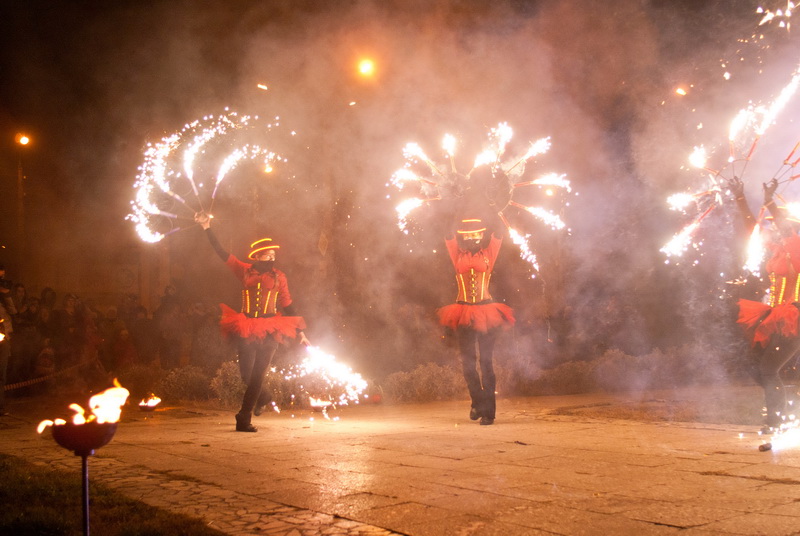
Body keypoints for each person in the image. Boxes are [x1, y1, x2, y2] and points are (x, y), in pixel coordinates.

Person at [195, 212, 309, 432]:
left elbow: (288, 304)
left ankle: (243, 417)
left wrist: (301, 331)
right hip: (246, 326)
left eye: (274, 255)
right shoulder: (244, 270)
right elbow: (221, 253)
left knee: (258, 374)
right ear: (258, 257)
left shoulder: (279, 277)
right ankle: (264, 396)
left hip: (270, 329)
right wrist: (207, 227)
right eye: (267, 256)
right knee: (246, 374)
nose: (272, 258)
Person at [735, 178, 800, 432]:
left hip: (795, 315)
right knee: (758, 366)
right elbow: (753, 229)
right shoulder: (778, 250)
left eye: (779, 225)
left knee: (768, 368)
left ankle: (777, 421)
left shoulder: (797, 247)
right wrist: (740, 199)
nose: (774, 228)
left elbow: (784, 228)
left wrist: (770, 200)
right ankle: (783, 414)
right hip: (776, 315)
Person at [437, 218, 515, 425]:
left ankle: (488, 412)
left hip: (487, 313)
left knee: (486, 363)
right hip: (462, 312)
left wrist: (499, 204)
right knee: (468, 364)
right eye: (469, 235)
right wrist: (449, 205)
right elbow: (447, 233)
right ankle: (477, 402)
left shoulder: (489, 254)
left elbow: (498, 234)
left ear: (482, 236)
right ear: (463, 237)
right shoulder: (457, 255)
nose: (473, 238)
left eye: (477, 235)